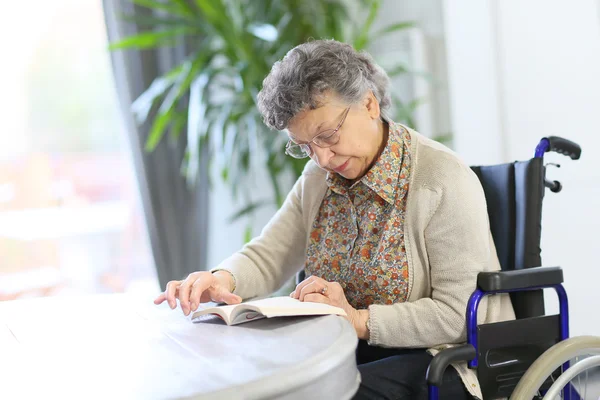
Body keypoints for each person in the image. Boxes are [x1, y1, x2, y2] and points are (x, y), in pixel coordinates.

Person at [154, 39, 515, 399]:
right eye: (306, 147)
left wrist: (358, 320)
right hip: (351, 351)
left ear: (369, 104)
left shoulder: (440, 180)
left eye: (328, 136)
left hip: (447, 361)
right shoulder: (318, 180)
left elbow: (455, 315)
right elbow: (270, 254)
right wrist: (220, 279)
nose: (322, 158)